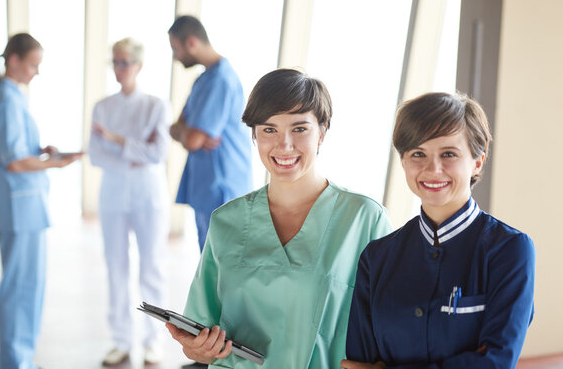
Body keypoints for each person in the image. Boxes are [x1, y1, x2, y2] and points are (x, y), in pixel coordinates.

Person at [166, 69, 393, 368]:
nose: (284, 145)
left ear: (322, 131)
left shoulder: (363, 219)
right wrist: (199, 349)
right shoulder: (226, 221)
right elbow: (199, 334)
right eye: (269, 130)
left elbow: (397, 328)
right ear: (254, 135)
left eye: (300, 129)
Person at [343, 92, 535, 369]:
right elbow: (359, 362)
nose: (433, 169)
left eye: (448, 154)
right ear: (403, 161)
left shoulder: (510, 250)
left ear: (477, 162)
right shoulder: (377, 258)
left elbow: (497, 361)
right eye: (418, 154)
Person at [0, 33, 82, 369]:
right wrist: (56, 163)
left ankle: (19, 358)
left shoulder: (9, 96)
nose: (36, 72)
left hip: (22, 207)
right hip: (19, 208)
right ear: (14, 61)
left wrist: (40, 152)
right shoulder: (7, 99)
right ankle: (15, 362)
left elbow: (16, 150)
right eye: (33, 64)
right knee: (20, 288)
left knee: (26, 286)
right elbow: (12, 161)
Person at [88, 37, 171, 367]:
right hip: (112, 194)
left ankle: (154, 340)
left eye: (124, 62)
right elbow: (95, 154)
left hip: (148, 194)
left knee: (151, 266)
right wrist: (135, 150)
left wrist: (116, 141)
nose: (119, 69)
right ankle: (121, 339)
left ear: (138, 65)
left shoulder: (155, 106)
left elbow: (158, 153)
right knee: (116, 266)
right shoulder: (102, 107)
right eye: (115, 62)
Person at [168, 15, 252, 252]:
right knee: (208, 261)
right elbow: (175, 127)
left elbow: (192, 140)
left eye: (176, 48)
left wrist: (188, 134)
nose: (175, 57)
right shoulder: (203, 79)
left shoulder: (221, 80)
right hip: (206, 188)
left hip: (222, 188)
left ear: (191, 42)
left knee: (222, 267)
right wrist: (187, 133)